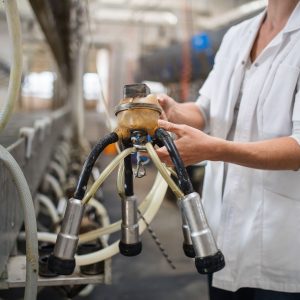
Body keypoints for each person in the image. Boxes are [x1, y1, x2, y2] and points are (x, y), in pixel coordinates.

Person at [155, 0, 300, 299]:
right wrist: (172, 110)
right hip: (220, 233)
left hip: (281, 240)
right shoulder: (238, 35)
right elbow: (206, 109)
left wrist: (213, 150)